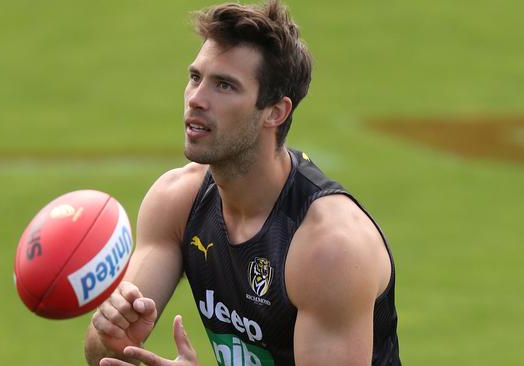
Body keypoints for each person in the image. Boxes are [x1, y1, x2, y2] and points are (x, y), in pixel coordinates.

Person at [84, 1, 400, 365]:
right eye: (195, 77)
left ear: (275, 112)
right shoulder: (176, 203)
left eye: (224, 86)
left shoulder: (329, 249)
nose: (196, 99)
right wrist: (110, 335)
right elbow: (104, 352)